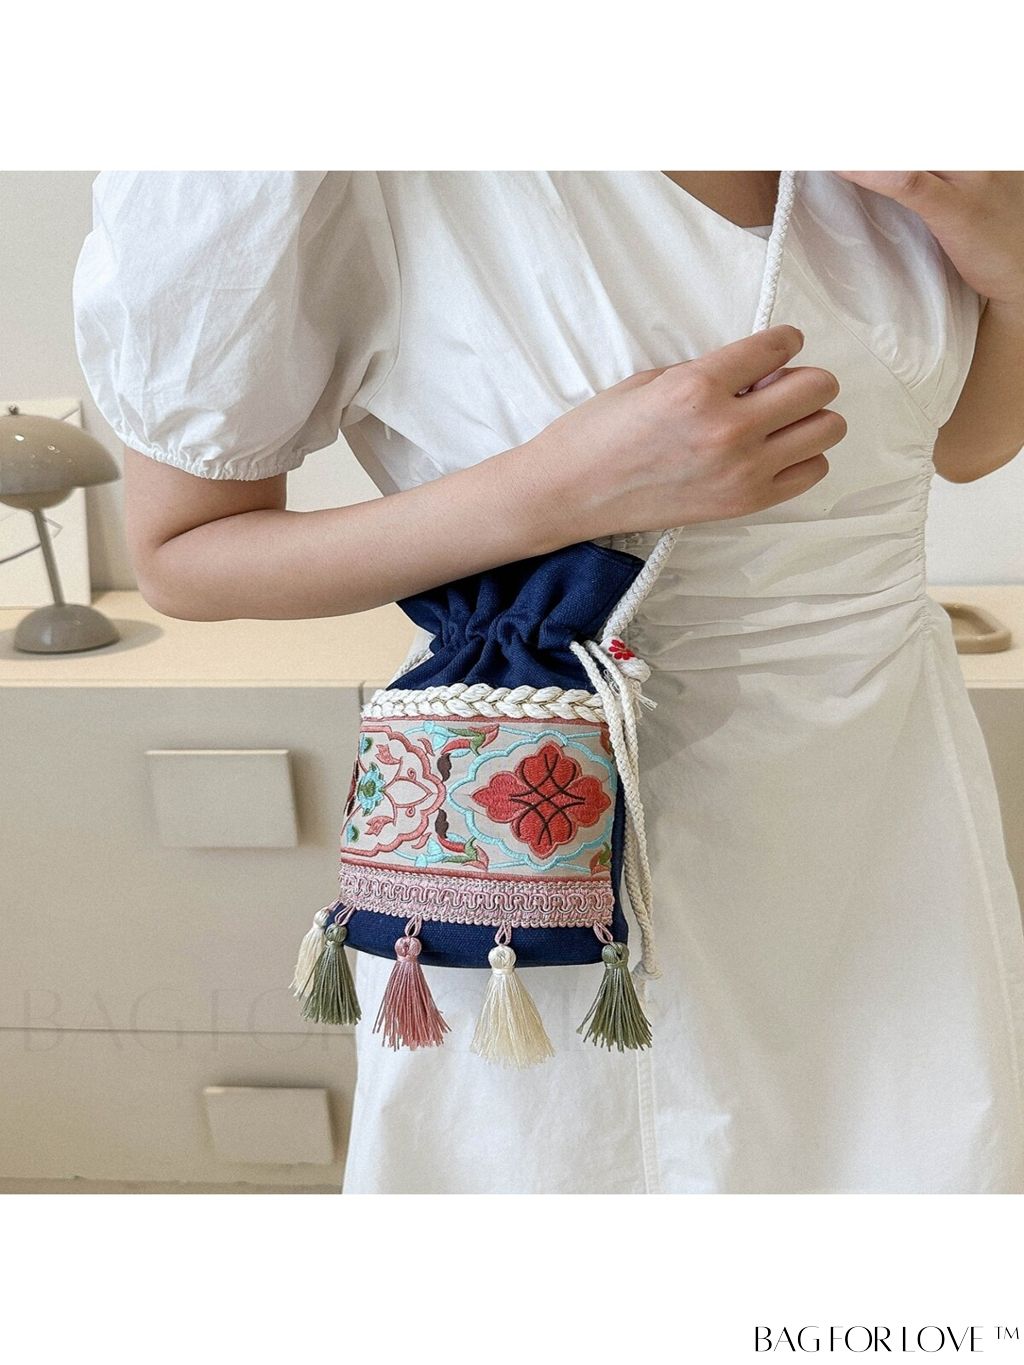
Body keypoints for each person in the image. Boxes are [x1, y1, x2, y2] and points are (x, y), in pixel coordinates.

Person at [72, 169, 1024, 1194]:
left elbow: (959, 443)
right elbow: (183, 556)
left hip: (891, 798)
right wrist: (558, 491)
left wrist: (1011, 261)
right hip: (573, 814)